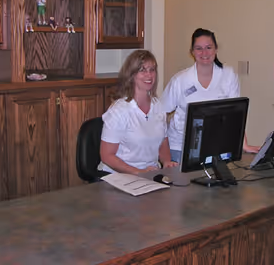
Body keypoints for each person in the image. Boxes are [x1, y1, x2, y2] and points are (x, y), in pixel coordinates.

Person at [161, 28, 259, 163]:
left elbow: (235, 114)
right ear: (192, 52)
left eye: (208, 47)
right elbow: (160, 114)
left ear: (216, 49)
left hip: (214, 145)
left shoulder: (228, 75)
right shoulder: (180, 80)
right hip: (181, 147)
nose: (204, 53)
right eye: (199, 48)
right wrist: (164, 154)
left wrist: (244, 145)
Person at [98, 50, 177, 174]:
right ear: (131, 75)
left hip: (150, 173)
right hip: (119, 175)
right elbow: (107, 156)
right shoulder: (119, 111)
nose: (149, 75)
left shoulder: (158, 106)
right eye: (142, 70)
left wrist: (166, 162)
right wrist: (138, 172)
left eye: (152, 69)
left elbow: (163, 143)